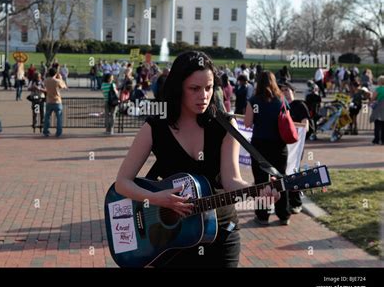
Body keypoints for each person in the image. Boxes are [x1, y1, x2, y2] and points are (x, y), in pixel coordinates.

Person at [115, 51, 279, 267]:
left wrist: (258, 191)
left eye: (209, 88)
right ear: (178, 88)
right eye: (194, 88)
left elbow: (231, 181)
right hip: (171, 238)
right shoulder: (154, 127)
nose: (204, 95)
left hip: (221, 231)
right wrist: (157, 199)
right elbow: (122, 183)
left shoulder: (225, 125)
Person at [244, 71, 291, 226]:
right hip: (279, 144)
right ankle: (284, 214)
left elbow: (247, 123)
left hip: (260, 145)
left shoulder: (254, 101)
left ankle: (263, 215)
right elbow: (287, 119)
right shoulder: (281, 100)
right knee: (280, 178)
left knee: (260, 181)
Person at [279, 81, 309, 214]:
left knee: (293, 173)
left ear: (293, 91)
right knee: (282, 173)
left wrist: (295, 130)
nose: (285, 92)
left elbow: (305, 125)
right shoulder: (280, 107)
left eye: (287, 89)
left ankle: (296, 203)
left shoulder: (299, 105)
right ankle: (284, 202)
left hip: (295, 146)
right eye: (282, 90)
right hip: (282, 146)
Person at [43, 68, 66, 137]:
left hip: (49, 100)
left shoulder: (46, 80)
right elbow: (64, 87)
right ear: (55, 73)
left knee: (47, 117)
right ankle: (58, 133)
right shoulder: (57, 81)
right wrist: (61, 78)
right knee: (59, 118)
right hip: (57, 101)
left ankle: (46, 131)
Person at [370, 76, 384, 145]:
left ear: (380, 82)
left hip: (379, 108)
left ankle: (376, 139)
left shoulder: (378, 89)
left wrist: (370, 102)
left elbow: (373, 98)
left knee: (377, 125)